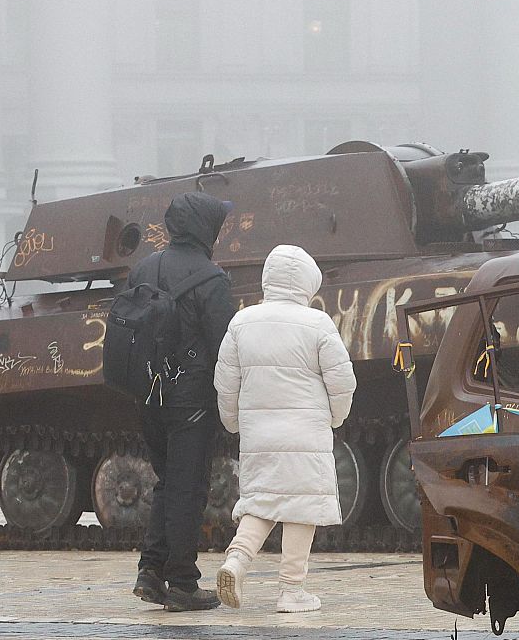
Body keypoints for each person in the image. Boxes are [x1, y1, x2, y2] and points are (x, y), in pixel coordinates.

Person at [212, 244, 355, 613]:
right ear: (307, 283)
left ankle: (236, 562)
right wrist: (336, 417)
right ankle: (291, 590)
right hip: (306, 431)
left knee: (260, 502)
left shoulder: (241, 323)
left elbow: (225, 383)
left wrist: (232, 422)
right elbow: (342, 381)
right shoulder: (318, 323)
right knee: (301, 507)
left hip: (259, 434)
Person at [129, 191, 236, 612]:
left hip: (148, 395)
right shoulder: (212, 279)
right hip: (191, 400)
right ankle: (183, 583)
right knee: (188, 489)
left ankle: (150, 570)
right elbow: (226, 346)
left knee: (167, 483)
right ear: (205, 229)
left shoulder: (143, 268)